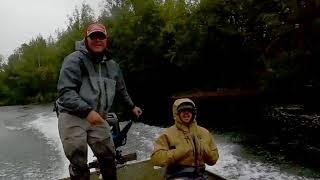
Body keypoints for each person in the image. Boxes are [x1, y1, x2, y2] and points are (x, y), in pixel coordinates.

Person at [55, 22, 142, 180]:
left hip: (98, 116)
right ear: (86, 39)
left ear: (106, 40)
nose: (97, 40)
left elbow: (121, 89)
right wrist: (87, 111)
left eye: (101, 36)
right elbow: (65, 92)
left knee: (108, 157)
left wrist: (132, 106)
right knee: (78, 159)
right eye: (93, 36)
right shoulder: (74, 60)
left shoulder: (113, 66)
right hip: (72, 114)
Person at [151, 98, 219, 180]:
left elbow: (213, 160)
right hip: (177, 175)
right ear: (177, 114)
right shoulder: (167, 134)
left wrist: (205, 149)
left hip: (200, 175)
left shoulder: (204, 132)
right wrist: (179, 151)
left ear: (193, 113)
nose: (186, 113)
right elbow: (156, 159)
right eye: (183, 111)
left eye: (189, 110)